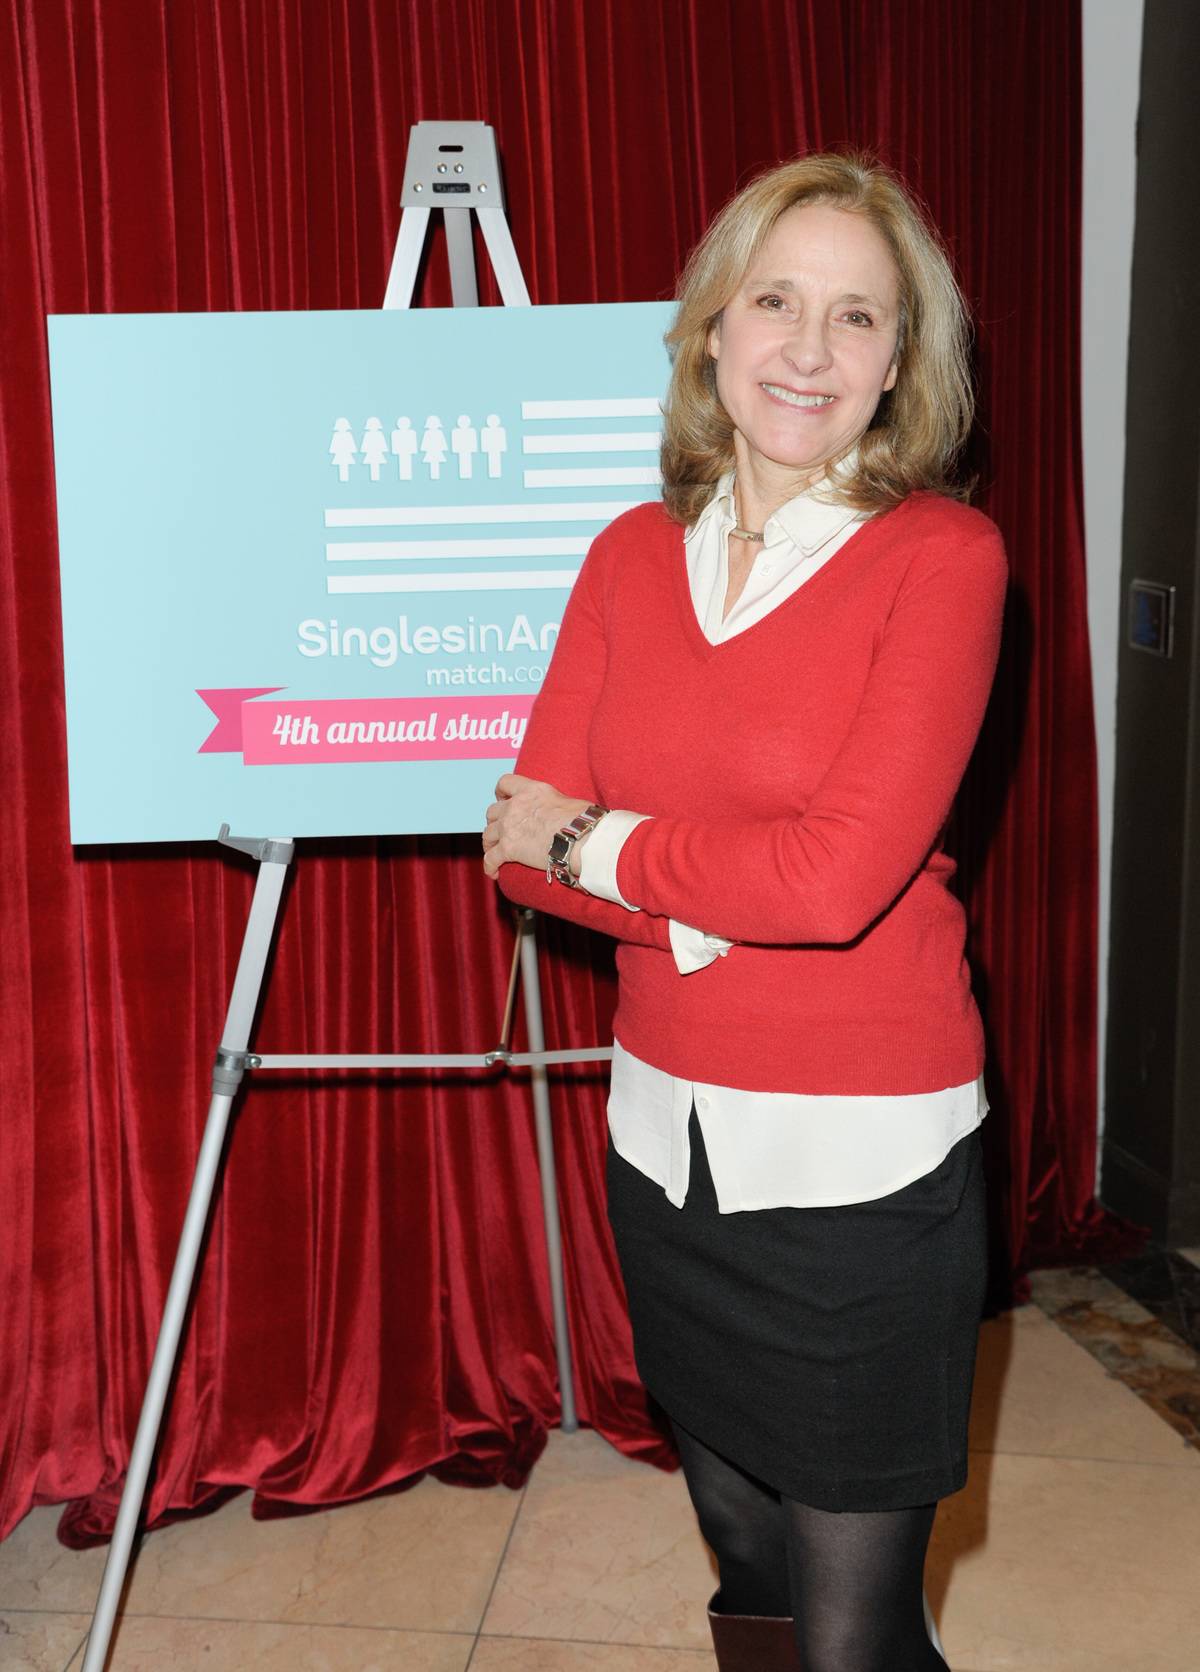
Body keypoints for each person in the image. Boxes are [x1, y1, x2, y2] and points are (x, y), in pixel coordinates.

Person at [482, 149, 1006, 1672]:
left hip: (864, 1173)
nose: (807, 348)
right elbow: (515, 851)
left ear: (901, 363)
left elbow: (838, 884)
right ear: (711, 328)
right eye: (776, 300)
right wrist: (695, 887)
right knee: (748, 1570)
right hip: (669, 1156)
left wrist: (604, 847)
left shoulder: (943, 561)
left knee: (852, 1632)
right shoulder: (629, 557)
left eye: (857, 318)